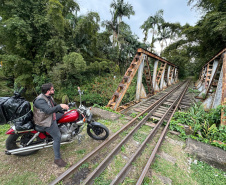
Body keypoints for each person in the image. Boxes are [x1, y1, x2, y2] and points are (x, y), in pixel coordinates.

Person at [33, 83, 69, 167]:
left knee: (66, 116)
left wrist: (64, 111)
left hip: (50, 117)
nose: (54, 90)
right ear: (48, 91)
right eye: (53, 89)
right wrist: (61, 106)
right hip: (44, 121)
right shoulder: (40, 100)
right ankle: (57, 159)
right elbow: (48, 110)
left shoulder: (49, 97)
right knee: (57, 137)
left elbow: (55, 106)